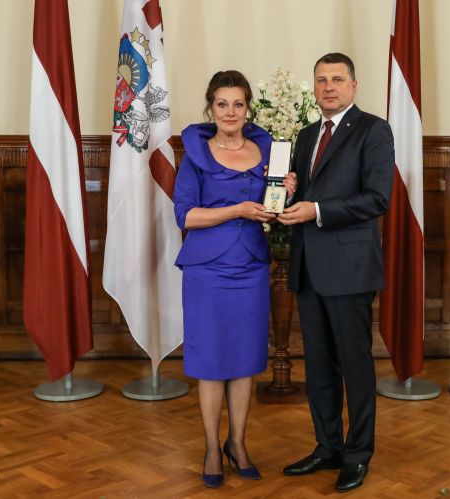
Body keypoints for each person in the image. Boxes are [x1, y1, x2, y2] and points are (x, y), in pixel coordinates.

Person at [173, 70, 296, 488]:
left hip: (251, 267)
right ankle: (212, 447)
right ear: (211, 108)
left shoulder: (266, 151)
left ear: (247, 108)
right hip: (206, 270)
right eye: (222, 104)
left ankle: (238, 443)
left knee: (245, 360)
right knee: (210, 362)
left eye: (238, 104)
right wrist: (237, 210)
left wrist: (286, 192)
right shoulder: (196, 153)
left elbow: (272, 210)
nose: (230, 112)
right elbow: (185, 216)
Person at [277, 53, 395, 492]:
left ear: (353, 86)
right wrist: (291, 193)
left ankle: (358, 454)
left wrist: (317, 209)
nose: (329, 87)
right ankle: (327, 447)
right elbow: (304, 198)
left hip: (349, 270)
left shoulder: (373, 130)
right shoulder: (307, 134)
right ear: (314, 87)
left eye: (337, 79)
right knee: (319, 367)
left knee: (355, 367)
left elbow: (377, 198)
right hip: (309, 267)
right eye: (322, 79)